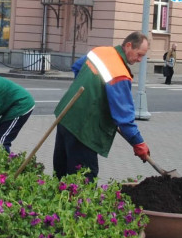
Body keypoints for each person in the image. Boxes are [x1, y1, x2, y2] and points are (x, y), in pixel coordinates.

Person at [52, 31, 151, 181]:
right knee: (83, 179)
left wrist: (91, 92)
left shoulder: (100, 51)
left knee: (62, 171)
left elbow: (77, 67)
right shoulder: (119, 73)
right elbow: (124, 117)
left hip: (66, 116)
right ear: (128, 45)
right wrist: (139, 143)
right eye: (139, 54)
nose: (139, 59)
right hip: (84, 130)